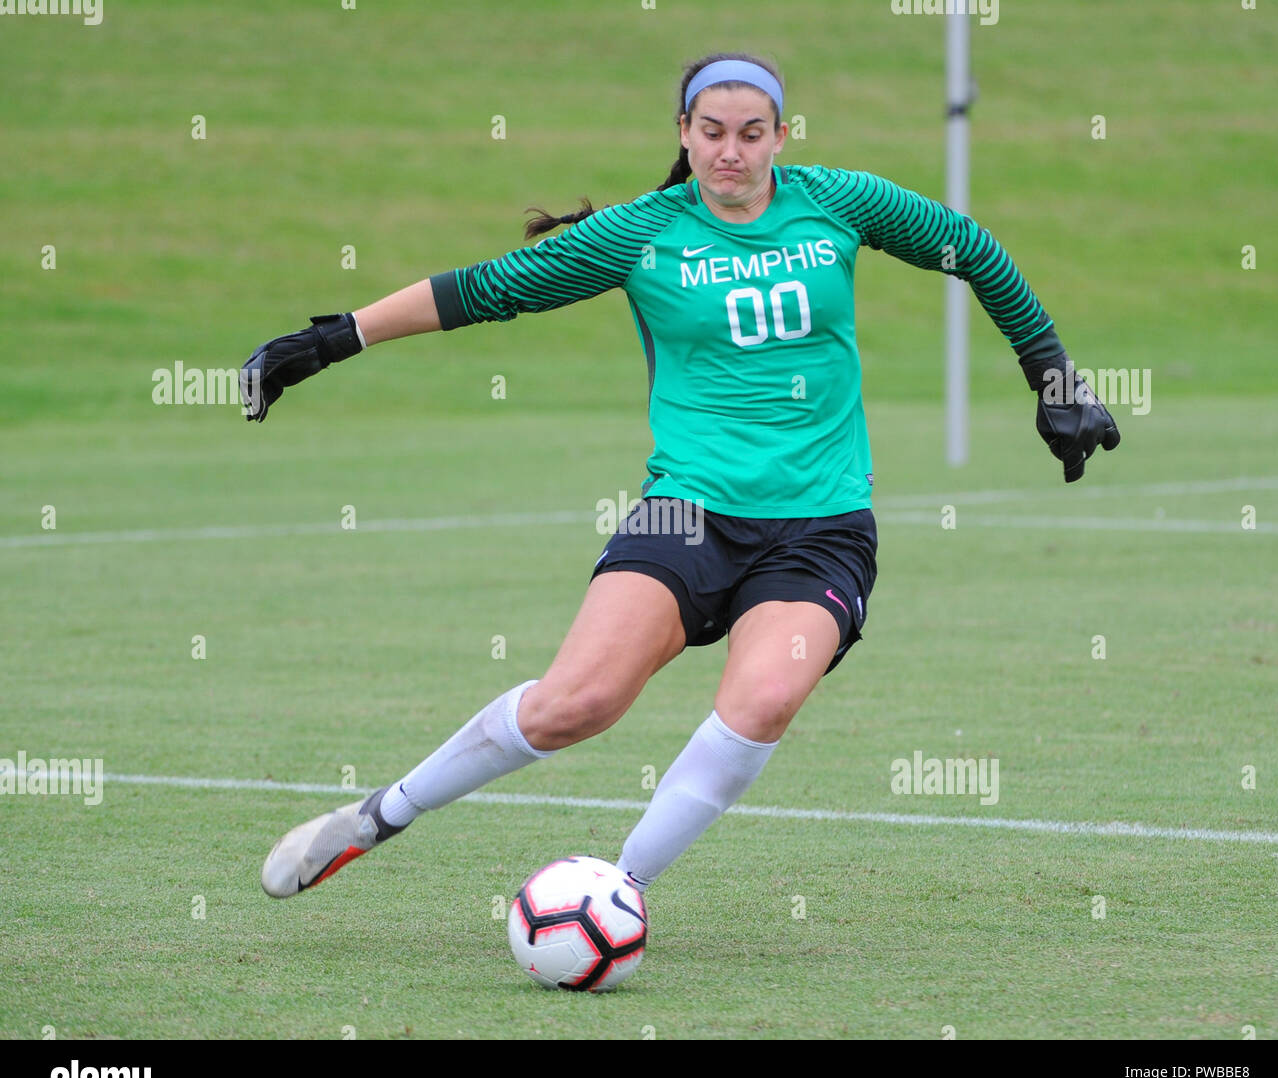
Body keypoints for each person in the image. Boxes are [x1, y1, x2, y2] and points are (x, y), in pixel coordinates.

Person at [247, 52, 1119, 901]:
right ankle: (374, 819)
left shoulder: (838, 203)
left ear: (782, 135)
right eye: (712, 132)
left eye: (750, 132)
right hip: (686, 517)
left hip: (821, 528)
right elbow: (486, 288)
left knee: (766, 699)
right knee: (575, 703)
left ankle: (618, 893)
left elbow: (969, 246)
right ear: (685, 133)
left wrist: (1054, 377)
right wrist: (334, 339)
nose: (730, 151)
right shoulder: (642, 232)